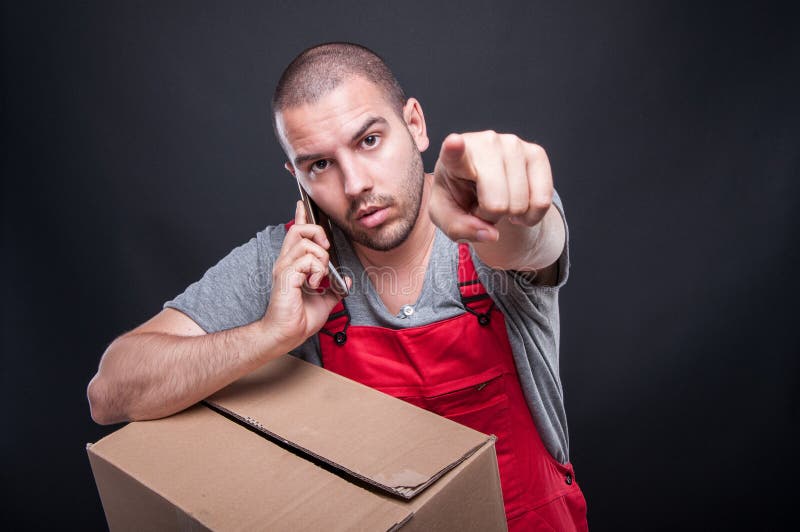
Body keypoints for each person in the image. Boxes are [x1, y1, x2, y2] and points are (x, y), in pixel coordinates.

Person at [87, 42, 588, 530]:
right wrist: (269, 335)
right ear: (297, 177)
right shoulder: (289, 261)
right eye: (319, 165)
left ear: (414, 124)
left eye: (369, 140)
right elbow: (110, 393)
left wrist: (516, 204)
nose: (354, 185)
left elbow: (530, 242)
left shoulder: (485, 217)